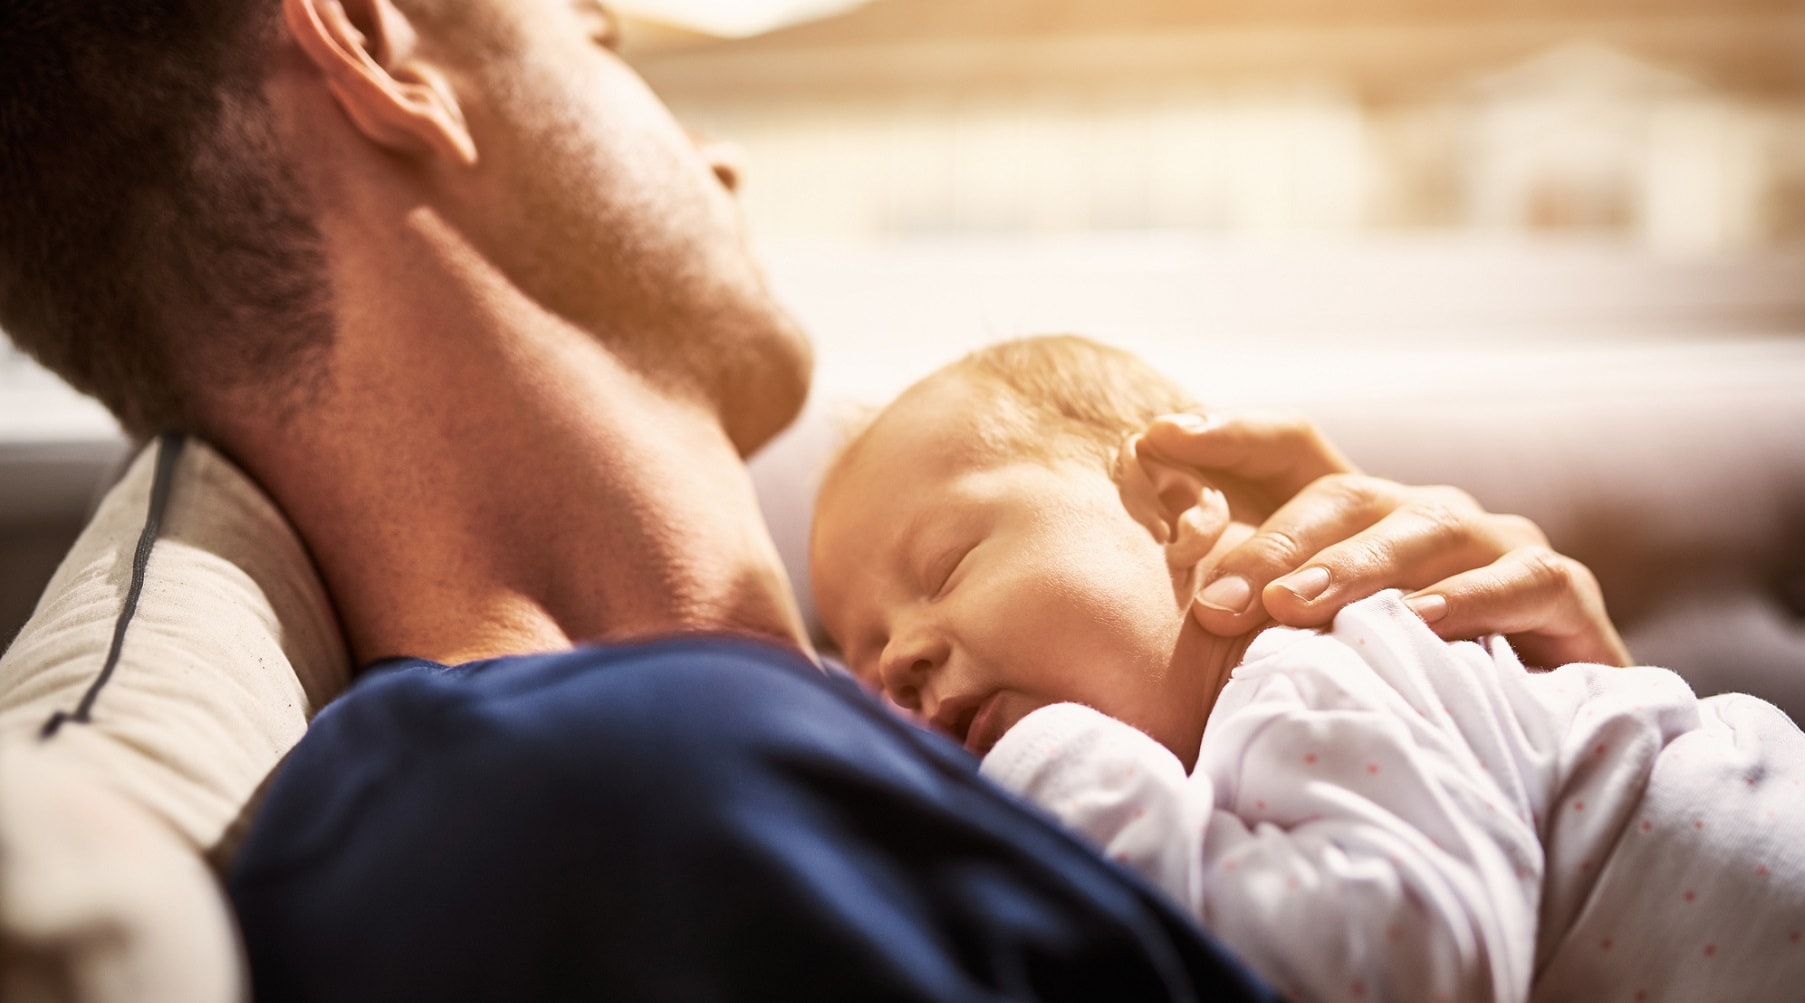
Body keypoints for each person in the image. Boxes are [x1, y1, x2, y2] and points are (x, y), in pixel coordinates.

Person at [1, 1, 1631, 998]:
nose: (718, 156)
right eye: (605, 41)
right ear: (373, 46)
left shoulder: (942, 713)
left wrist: (1554, 760)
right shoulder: (588, 809)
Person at [809, 335, 1805, 1003]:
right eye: (858, 654)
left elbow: (1401, 972)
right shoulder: (1241, 777)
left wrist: (1052, 760)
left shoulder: (1319, 663)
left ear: (1180, 511)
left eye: (947, 564)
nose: (897, 657)